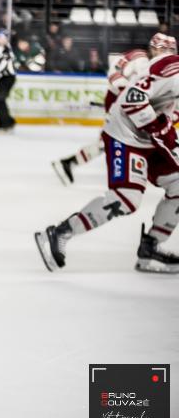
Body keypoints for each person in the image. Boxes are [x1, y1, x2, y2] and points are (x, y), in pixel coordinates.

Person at [35, 34, 179, 274]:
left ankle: (150, 249)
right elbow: (133, 100)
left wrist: (164, 134)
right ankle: (60, 233)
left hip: (146, 135)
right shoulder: (169, 67)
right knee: (126, 198)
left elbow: (168, 115)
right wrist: (159, 131)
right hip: (125, 133)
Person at [51, 48, 150, 185]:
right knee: (110, 141)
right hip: (121, 100)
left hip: (120, 99)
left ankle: (70, 162)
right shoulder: (142, 61)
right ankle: (68, 162)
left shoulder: (142, 58)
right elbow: (121, 75)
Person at [0, 30, 17, 132]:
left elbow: (3, 65)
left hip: (8, 78)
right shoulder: (0, 49)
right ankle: (4, 122)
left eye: (2, 37)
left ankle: (7, 122)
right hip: (3, 78)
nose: (0, 39)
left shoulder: (6, 50)